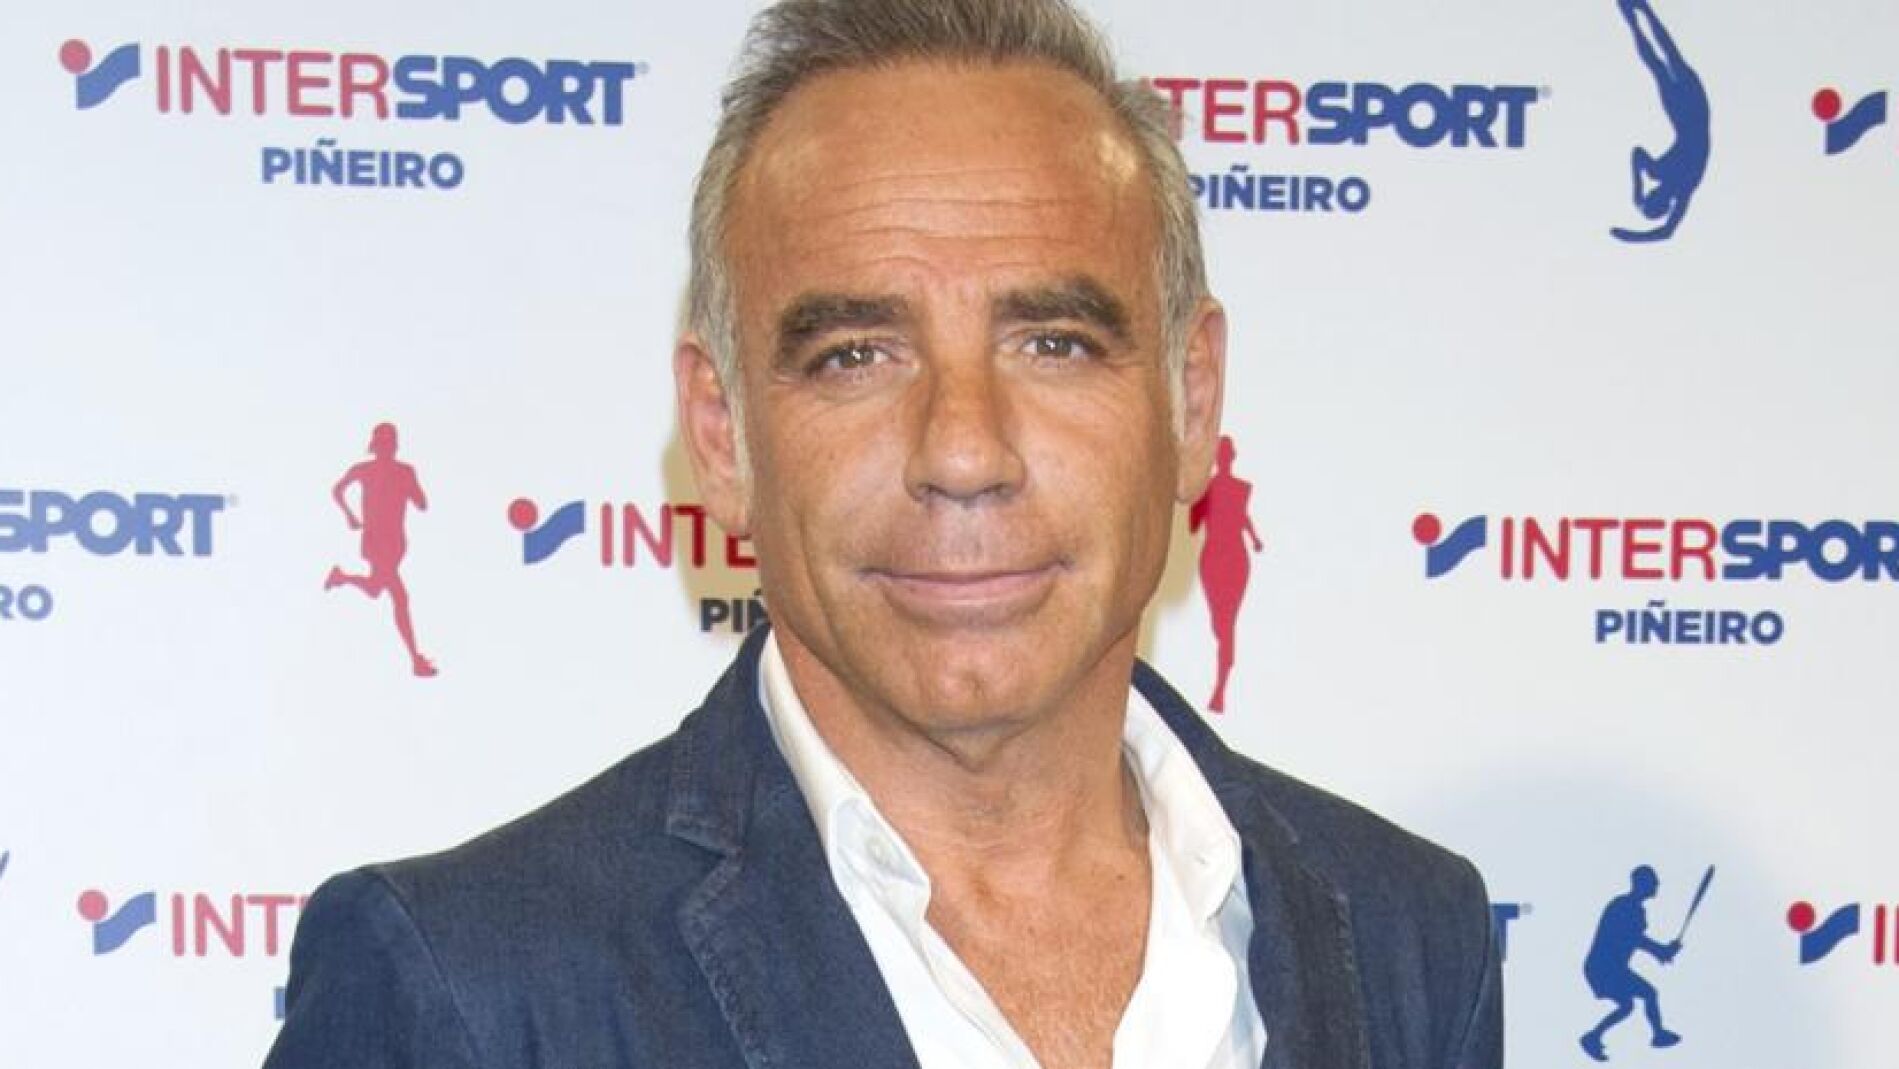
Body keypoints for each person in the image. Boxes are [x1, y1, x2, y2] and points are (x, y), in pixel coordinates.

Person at [266, 2, 1500, 1067]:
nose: (963, 449)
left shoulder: (1408, 933)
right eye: (856, 355)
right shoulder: (472, 989)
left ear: (1190, 402)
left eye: (1053, 343)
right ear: (723, 435)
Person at [324, 422, 436, 678]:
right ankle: (415, 660)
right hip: (375, 541)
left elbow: (422, 504)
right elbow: (337, 489)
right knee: (400, 596)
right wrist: (349, 515)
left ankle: (340, 577)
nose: (386, 450)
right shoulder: (365, 470)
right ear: (376, 447)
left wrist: (409, 488)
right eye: (383, 445)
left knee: (375, 589)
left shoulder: (404, 471)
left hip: (396, 542)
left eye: (389, 445)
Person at [1609, 0, 1709, 244]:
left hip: (1680, 117)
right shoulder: (1683, 186)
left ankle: (1634, 19)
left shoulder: (1659, 172)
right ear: (1662, 199)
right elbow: (1666, 232)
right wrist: (1630, 234)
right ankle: (1644, 11)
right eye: (1653, 194)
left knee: (1658, 66)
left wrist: (1637, 190)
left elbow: (1637, 153)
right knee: (1670, 58)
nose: (1653, 189)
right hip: (1696, 112)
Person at [1189, 436, 1263, 713]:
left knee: (1226, 623)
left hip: (1232, 557)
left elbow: (1241, 519)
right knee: (1220, 624)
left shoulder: (1241, 488)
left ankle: (1220, 687)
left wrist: (1255, 539)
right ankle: (1221, 679)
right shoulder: (1208, 488)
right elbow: (1196, 524)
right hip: (1215, 557)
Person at [1579, 866, 1683, 1061]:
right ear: (1642, 884)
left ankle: (1593, 1037)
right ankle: (1658, 1034)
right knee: (1649, 994)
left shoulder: (1632, 908)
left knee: (1627, 1005)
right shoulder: (1626, 907)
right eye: (1653, 882)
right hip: (1604, 967)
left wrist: (1662, 952)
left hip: (1606, 967)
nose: (1657, 885)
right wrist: (1661, 951)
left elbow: (1634, 940)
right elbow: (1634, 938)